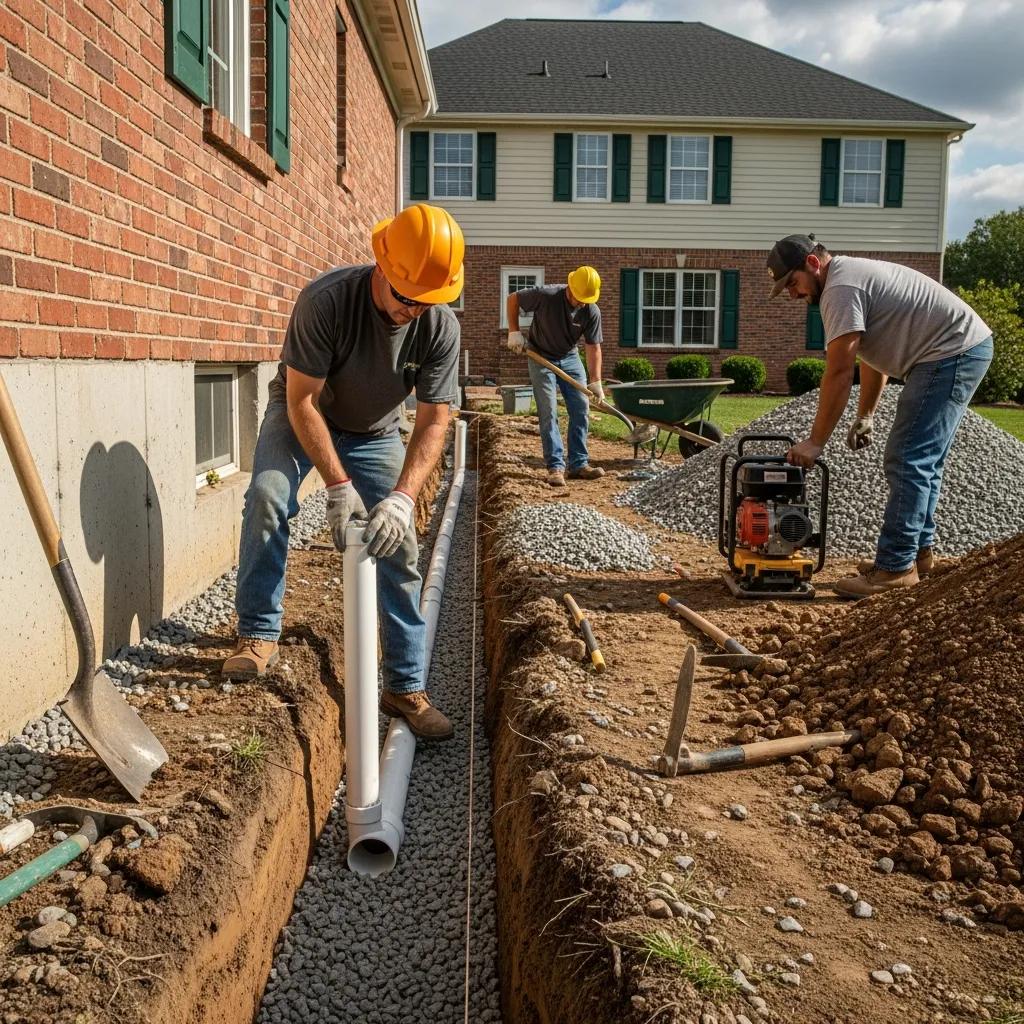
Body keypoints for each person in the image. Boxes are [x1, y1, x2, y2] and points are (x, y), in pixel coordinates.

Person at [221, 204, 465, 740]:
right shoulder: (326, 302)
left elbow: (433, 421)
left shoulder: (438, 324)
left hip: (377, 429)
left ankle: (404, 685)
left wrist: (401, 497)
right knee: (267, 497)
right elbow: (303, 401)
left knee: (399, 544)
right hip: (304, 413)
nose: (414, 312)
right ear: (383, 267)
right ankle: (258, 632)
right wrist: (337, 485)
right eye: (407, 299)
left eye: (428, 302)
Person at [767, 234, 992, 599]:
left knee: (907, 458)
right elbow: (871, 355)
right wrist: (866, 413)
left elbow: (839, 371)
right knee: (923, 461)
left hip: (951, 351)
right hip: (955, 349)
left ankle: (895, 569)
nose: (792, 294)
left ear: (812, 264)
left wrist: (815, 441)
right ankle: (917, 556)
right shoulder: (846, 279)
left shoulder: (840, 288)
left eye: (792, 283)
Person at [506, 266, 606, 487]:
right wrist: (514, 331)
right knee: (548, 409)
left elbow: (593, 347)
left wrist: (596, 380)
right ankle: (555, 467)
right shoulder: (547, 295)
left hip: (570, 357)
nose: (582, 303)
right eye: (580, 298)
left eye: (586, 299)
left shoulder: (591, 311)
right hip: (540, 354)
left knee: (581, 408)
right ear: (570, 287)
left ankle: (579, 464)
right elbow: (513, 299)